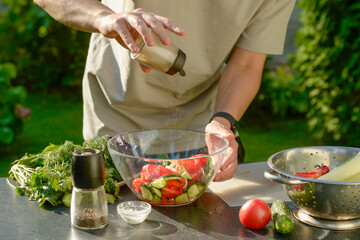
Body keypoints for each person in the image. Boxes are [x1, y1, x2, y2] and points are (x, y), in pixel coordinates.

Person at [33, 0, 296, 182]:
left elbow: (247, 64)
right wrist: (104, 18)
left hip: (200, 132)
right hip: (116, 123)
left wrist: (222, 122)